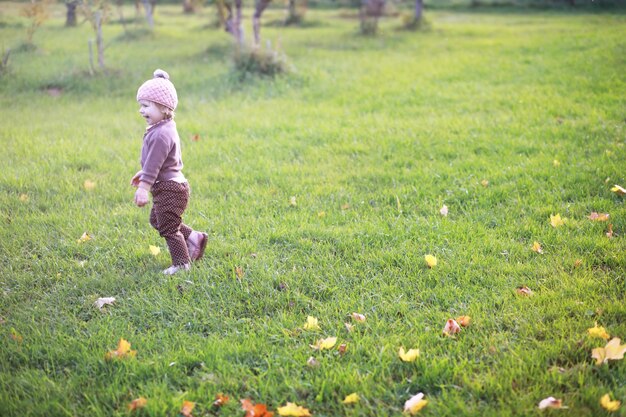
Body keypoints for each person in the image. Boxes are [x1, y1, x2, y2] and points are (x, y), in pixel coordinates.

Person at [131, 69, 207, 275]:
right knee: (158, 220)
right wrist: (143, 173)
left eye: (146, 106)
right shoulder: (163, 127)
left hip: (170, 189)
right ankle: (194, 238)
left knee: (168, 228)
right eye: (141, 105)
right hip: (169, 186)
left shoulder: (161, 135)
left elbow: (155, 164)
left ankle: (181, 264)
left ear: (164, 108)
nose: (141, 110)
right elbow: (159, 162)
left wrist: (143, 188)